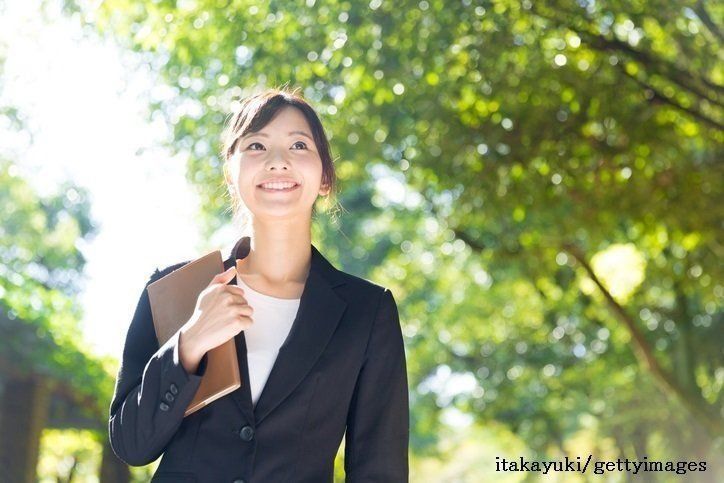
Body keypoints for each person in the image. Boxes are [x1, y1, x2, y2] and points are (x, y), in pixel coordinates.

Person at [108, 87, 410, 482]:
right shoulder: (176, 289)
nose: (278, 161)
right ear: (231, 175)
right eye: (256, 145)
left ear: (324, 177)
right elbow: (131, 445)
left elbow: (380, 470)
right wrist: (190, 342)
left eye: (299, 145)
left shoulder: (366, 312)